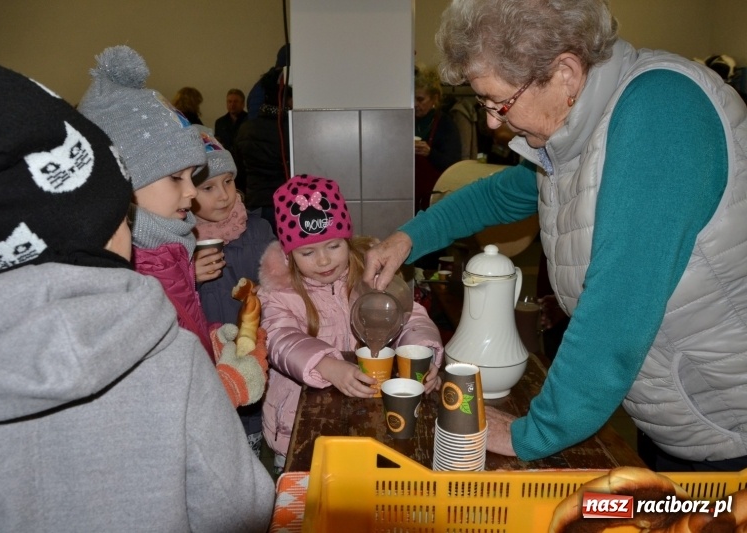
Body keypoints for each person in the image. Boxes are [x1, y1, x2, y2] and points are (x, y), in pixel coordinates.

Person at [364, 0, 747, 472]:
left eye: (499, 103)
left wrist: (534, 432)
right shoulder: (578, 135)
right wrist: (407, 238)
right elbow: (502, 195)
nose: (492, 122)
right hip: (682, 420)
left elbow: (618, 303)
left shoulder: (662, 114)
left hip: (732, 426)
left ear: (565, 73)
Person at [0, 59, 274, 532]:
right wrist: (225, 377)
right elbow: (240, 507)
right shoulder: (167, 354)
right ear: (102, 214)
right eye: (124, 214)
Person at [78, 45, 267, 409]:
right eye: (176, 178)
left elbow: (177, 339)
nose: (191, 191)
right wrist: (226, 386)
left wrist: (211, 341)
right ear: (124, 181)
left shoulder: (168, 251)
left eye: (192, 176)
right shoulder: (127, 276)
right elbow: (146, 397)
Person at [257, 174, 445, 473]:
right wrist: (326, 365)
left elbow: (409, 317)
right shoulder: (278, 293)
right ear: (289, 255)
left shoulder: (370, 277)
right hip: (301, 430)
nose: (323, 261)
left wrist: (423, 354)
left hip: (369, 417)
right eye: (308, 252)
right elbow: (279, 338)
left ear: (347, 240)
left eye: (333, 246)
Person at [191, 132, 276, 457]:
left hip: (253, 342)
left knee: (252, 402)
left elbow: (282, 282)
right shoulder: (180, 242)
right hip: (207, 351)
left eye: (228, 181)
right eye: (208, 187)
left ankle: (254, 446)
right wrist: (189, 275)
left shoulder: (259, 229)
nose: (224, 195)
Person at [233, 67, 292, 235]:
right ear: (287, 99)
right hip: (285, 203)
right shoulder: (291, 129)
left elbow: (237, 171)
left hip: (255, 203)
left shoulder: (246, 128)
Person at [414, 65, 461, 213]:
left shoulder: (445, 124)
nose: (415, 104)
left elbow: (453, 165)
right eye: (412, 99)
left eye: (420, 99)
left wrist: (430, 153)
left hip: (434, 198)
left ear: (434, 98)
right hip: (410, 195)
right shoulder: (407, 121)